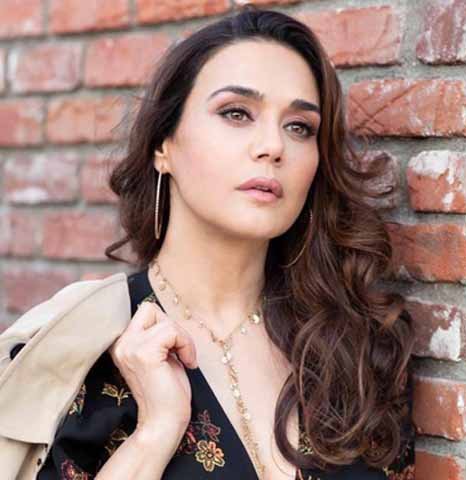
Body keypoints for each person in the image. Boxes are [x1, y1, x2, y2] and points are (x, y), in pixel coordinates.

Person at [2, 5, 416, 479]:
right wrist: (157, 430)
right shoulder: (81, 352)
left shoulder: (358, 344)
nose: (273, 146)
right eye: (236, 113)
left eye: (299, 127)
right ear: (163, 145)